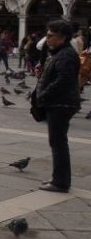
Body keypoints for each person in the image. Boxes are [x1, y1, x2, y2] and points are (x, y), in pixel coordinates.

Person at [33, 20, 81, 192]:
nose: (47, 39)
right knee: (57, 142)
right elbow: (57, 76)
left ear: (63, 38)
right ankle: (58, 178)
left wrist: (44, 96)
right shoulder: (60, 53)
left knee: (58, 142)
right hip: (59, 102)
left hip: (61, 104)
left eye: (51, 36)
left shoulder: (66, 54)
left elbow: (64, 80)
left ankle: (60, 182)